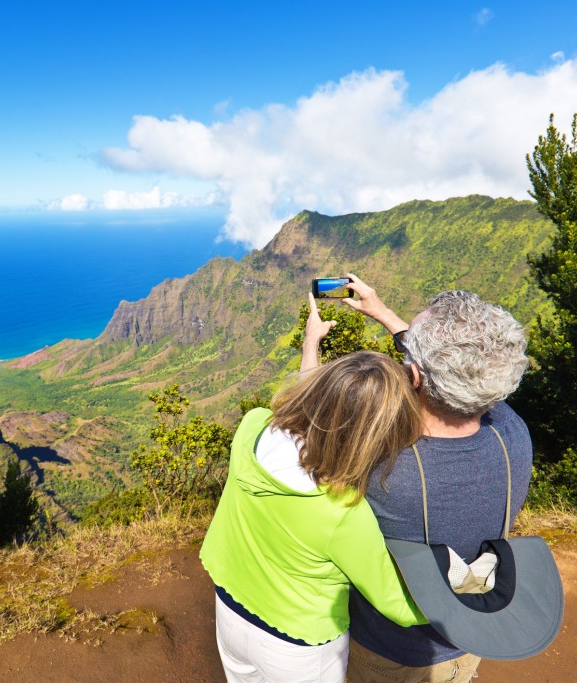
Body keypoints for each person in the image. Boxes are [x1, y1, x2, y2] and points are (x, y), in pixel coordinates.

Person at [306, 274, 532, 683]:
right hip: (466, 638)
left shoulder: (385, 464)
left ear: (413, 377)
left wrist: (311, 349)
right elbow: (463, 372)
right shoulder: (513, 432)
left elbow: (311, 427)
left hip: (389, 653)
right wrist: (384, 315)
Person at [200, 297, 428, 683]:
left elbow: (309, 411)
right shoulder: (341, 510)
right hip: (297, 646)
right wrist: (461, 598)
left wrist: (311, 346)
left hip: (229, 610)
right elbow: (397, 604)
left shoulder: (252, 430)